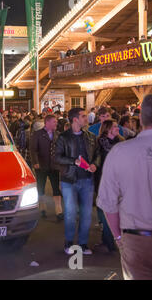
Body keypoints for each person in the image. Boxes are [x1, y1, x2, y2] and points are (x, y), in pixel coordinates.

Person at [97, 94, 152, 279]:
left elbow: (108, 202)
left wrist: (119, 238)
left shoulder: (120, 151)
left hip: (136, 238)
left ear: (141, 119)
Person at [55, 108, 100, 255]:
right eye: (83, 116)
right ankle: (68, 242)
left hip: (87, 179)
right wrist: (74, 161)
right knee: (70, 213)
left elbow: (98, 153)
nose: (86, 118)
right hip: (70, 180)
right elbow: (57, 157)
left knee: (87, 213)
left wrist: (95, 164)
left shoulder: (91, 136)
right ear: (75, 119)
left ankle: (83, 244)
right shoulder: (63, 137)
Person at [93, 119, 124, 253]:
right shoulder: (98, 143)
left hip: (120, 181)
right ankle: (108, 241)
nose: (118, 128)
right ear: (107, 129)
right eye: (115, 126)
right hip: (102, 180)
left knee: (117, 211)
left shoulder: (122, 142)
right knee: (105, 210)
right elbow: (95, 160)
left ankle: (112, 240)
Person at [30, 115, 63, 221]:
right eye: (54, 122)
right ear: (47, 122)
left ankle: (59, 210)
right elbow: (33, 150)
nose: (56, 123)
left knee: (56, 188)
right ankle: (42, 207)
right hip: (41, 165)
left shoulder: (58, 134)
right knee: (41, 187)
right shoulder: (37, 134)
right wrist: (35, 162)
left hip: (54, 166)